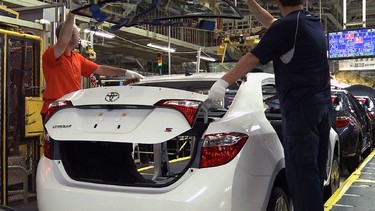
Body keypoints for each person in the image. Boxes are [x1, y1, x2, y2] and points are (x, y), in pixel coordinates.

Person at [208, 0, 332, 210]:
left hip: (300, 111)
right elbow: (273, 23)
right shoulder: (311, 21)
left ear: (277, 2)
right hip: (321, 108)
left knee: (302, 177)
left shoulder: (287, 27)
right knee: (313, 176)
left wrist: (222, 83)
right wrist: (251, 3)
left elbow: (251, 58)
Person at [41, 12, 145, 120]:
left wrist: (125, 72)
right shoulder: (51, 55)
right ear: (69, 36)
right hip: (55, 108)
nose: (79, 37)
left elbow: (100, 69)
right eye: (78, 34)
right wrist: (72, 15)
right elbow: (62, 41)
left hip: (71, 107)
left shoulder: (76, 57)